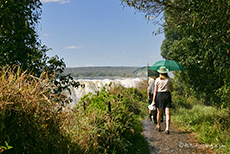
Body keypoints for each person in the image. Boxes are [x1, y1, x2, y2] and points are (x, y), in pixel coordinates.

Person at [152, 66, 174, 134]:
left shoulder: (157, 80)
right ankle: (167, 128)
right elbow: (172, 89)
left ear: (160, 72)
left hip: (159, 96)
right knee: (167, 113)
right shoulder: (169, 80)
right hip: (167, 95)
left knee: (159, 112)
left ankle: (158, 125)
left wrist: (153, 100)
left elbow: (155, 91)